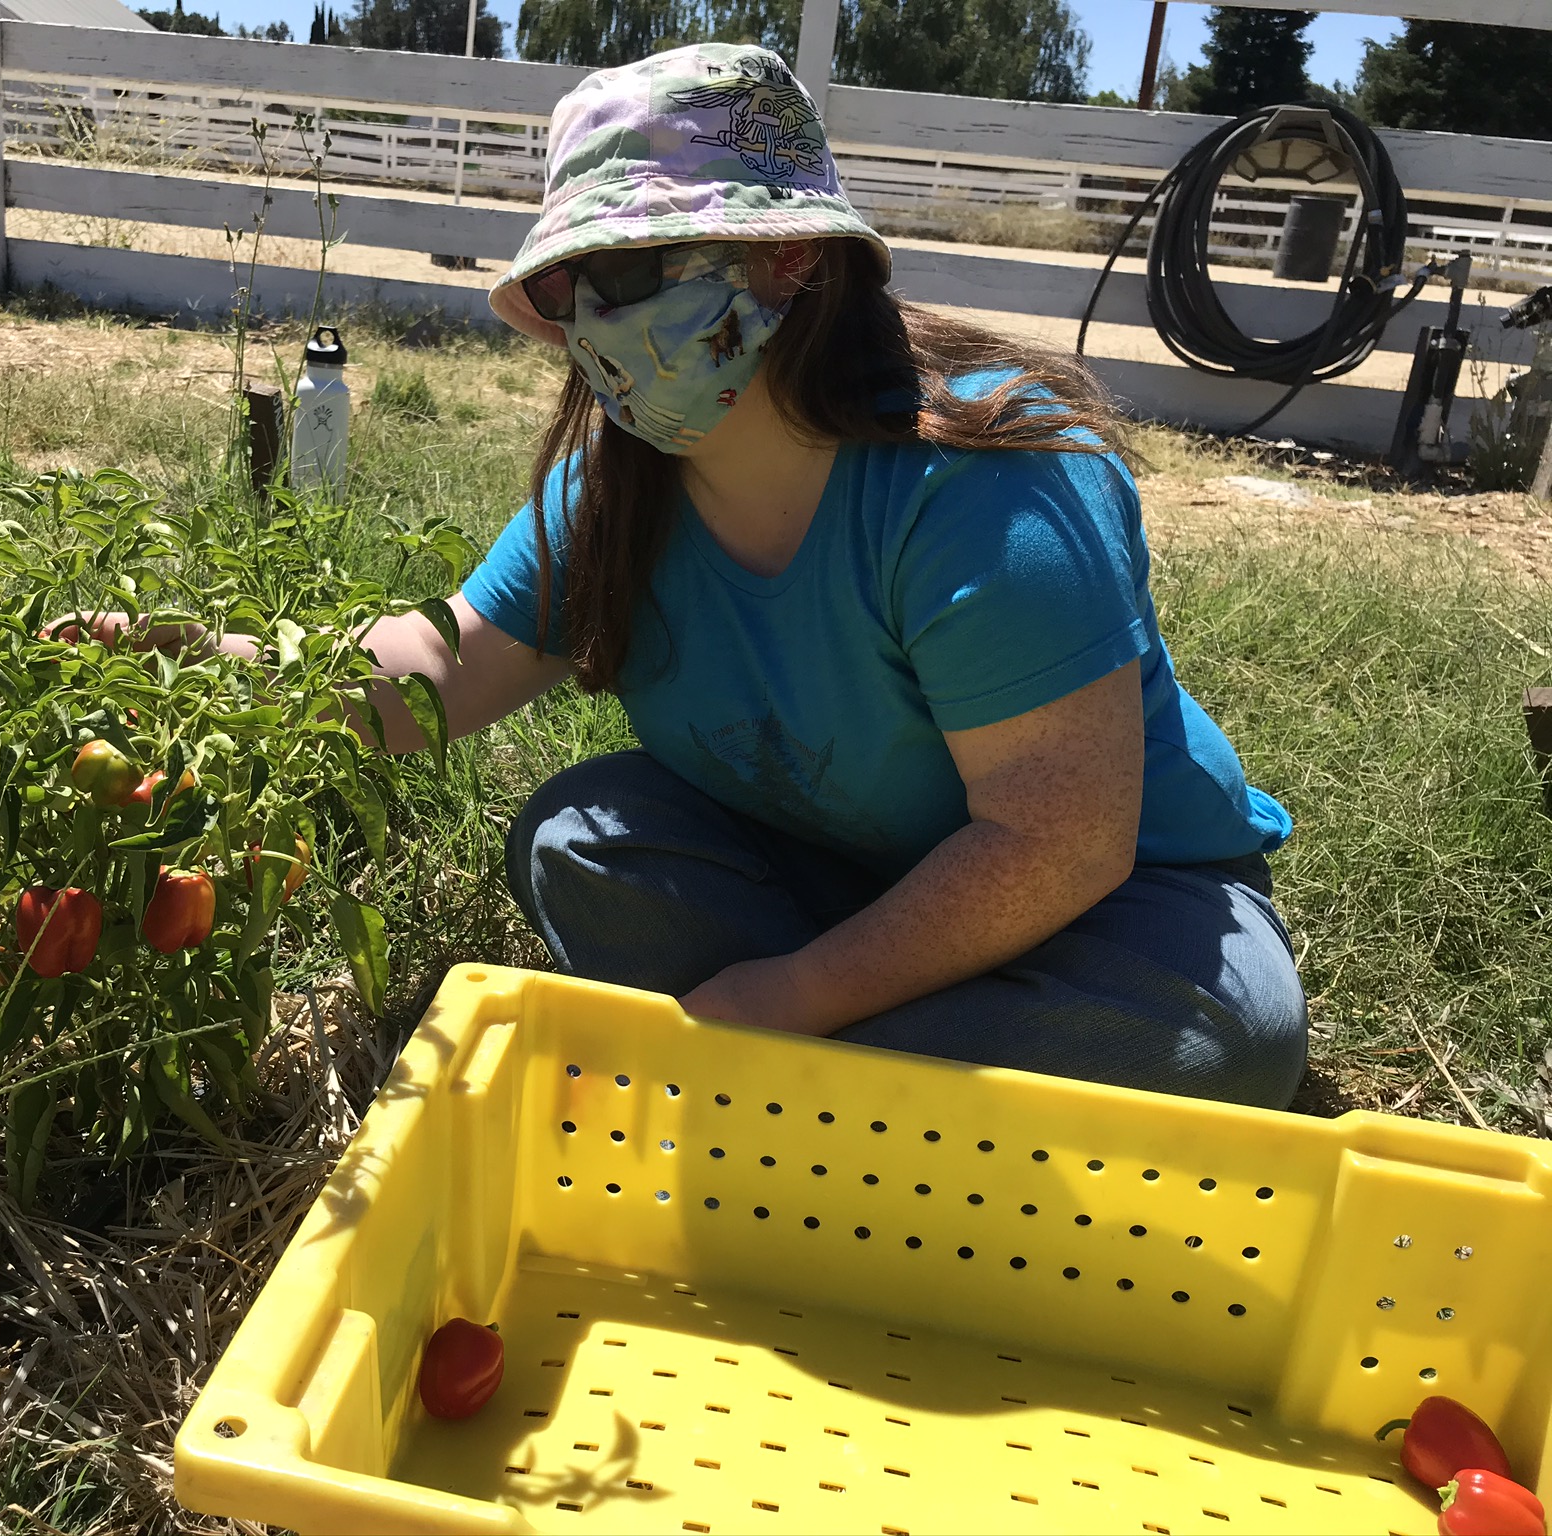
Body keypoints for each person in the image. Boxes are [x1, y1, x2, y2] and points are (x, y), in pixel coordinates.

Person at [75, 42, 1309, 1111]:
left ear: (789, 264)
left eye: (625, 271)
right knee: (576, 840)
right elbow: (430, 678)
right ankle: (909, 1081)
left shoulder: (983, 479)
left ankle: (781, 1075)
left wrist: (798, 989)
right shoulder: (619, 484)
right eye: (566, 288)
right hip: (826, 865)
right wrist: (196, 664)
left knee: (1227, 1036)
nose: (586, 323)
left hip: (1113, 897)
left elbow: (1060, 840)